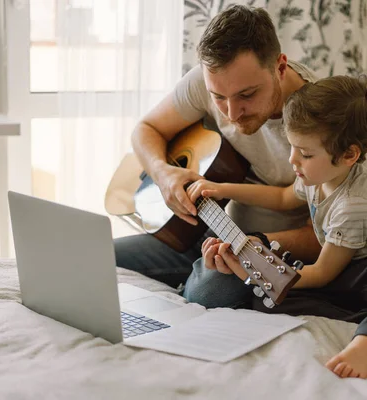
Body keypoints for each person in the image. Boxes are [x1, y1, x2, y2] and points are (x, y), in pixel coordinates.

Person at [185, 75, 367, 379]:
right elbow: (281, 197)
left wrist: (260, 271)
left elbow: (321, 273)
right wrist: (224, 189)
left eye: (304, 154)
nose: (294, 160)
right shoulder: (315, 178)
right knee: (265, 300)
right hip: (348, 280)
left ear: (349, 155)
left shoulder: (355, 204)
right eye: (292, 147)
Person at [114, 5, 323, 300]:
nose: (232, 113)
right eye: (218, 97)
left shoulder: (323, 122)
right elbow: (146, 129)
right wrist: (162, 173)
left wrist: (252, 243)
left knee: (206, 294)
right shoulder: (207, 80)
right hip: (205, 228)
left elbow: (326, 236)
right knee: (98, 257)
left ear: (280, 67)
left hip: (267, 247)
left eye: (247, 95)